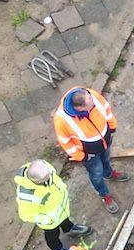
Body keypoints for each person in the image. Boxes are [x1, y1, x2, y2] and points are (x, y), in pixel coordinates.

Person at [52, 86, 128, 215]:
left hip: (105, 141)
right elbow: (65, 142)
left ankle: (108, 174)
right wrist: (81, 156)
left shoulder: (91, 96)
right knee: (96, 174)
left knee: (106, 160)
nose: (93, 105)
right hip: (88, 154)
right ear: (79, 108)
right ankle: (104, 194)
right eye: (90, 105)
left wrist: (112, 127)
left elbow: (107, 110)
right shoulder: (61, 120)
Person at [14, 159, 93, 250]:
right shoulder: (27, 197)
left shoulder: (44, 167)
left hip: (61, 209)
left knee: (66, 221)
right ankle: (57, 249)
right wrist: (47, 219)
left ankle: (70, 229)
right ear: (39, 181)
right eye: (47, 177)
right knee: (52, 235)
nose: (50, 175)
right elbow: (26, 215)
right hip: (51, 222)